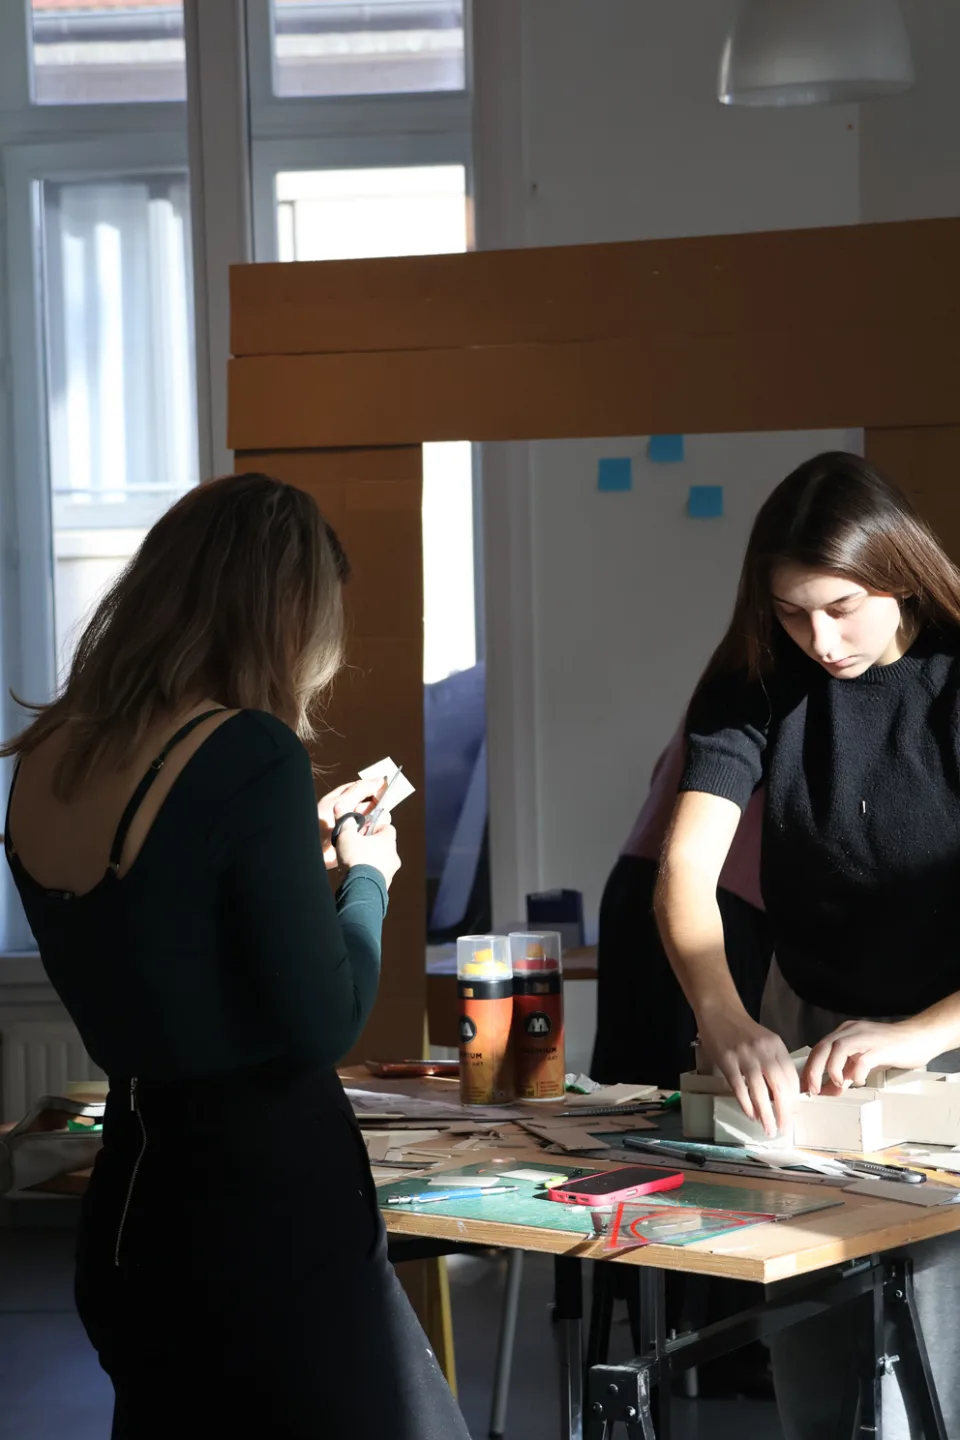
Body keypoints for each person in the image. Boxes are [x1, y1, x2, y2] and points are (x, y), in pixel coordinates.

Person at [2, 473, 471, 1440]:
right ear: (285, 613)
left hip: (135, 1201)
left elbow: (160, 928)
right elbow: (326, 1021)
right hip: (265, 1216)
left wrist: (287, 852)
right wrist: (367, 881)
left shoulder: (49, 753)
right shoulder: (248, 750)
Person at [656, 451, 960, 1440]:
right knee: (816, 1354)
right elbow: (684, 874)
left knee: (942, 1359)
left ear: (900, 574)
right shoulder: (753, 680)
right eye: (792, 613)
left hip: (949, 1031)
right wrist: (724, 1016)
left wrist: (918, 1035)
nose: (820, 640)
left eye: (842, 608)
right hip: (810, 1027)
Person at [591, 721, 769, 1089]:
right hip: (713, 897)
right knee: (694, 1083)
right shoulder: (766, 694)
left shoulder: (719, 696)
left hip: (638, 876)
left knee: (628, 1085)